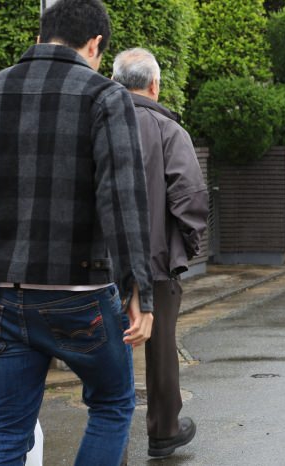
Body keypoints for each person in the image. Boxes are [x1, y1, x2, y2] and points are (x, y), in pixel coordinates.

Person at [0, 0, 154, 464]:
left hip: (3, 294)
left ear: (40, 36)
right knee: (113, 404)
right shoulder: (104, 96)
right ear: (94, 44)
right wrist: (140, 292)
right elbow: (122, 200)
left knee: (8, 425)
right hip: (80, 292)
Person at [112, 48, 209, 458]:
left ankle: (109, 427)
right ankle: (164, 429)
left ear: (116, 83)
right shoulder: (169, 130)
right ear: (155, 85)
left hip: (100, 263)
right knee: (161, 343)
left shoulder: (98, 124)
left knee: (107, 340)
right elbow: (189, 197)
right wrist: (184, 248)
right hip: (156, 260)